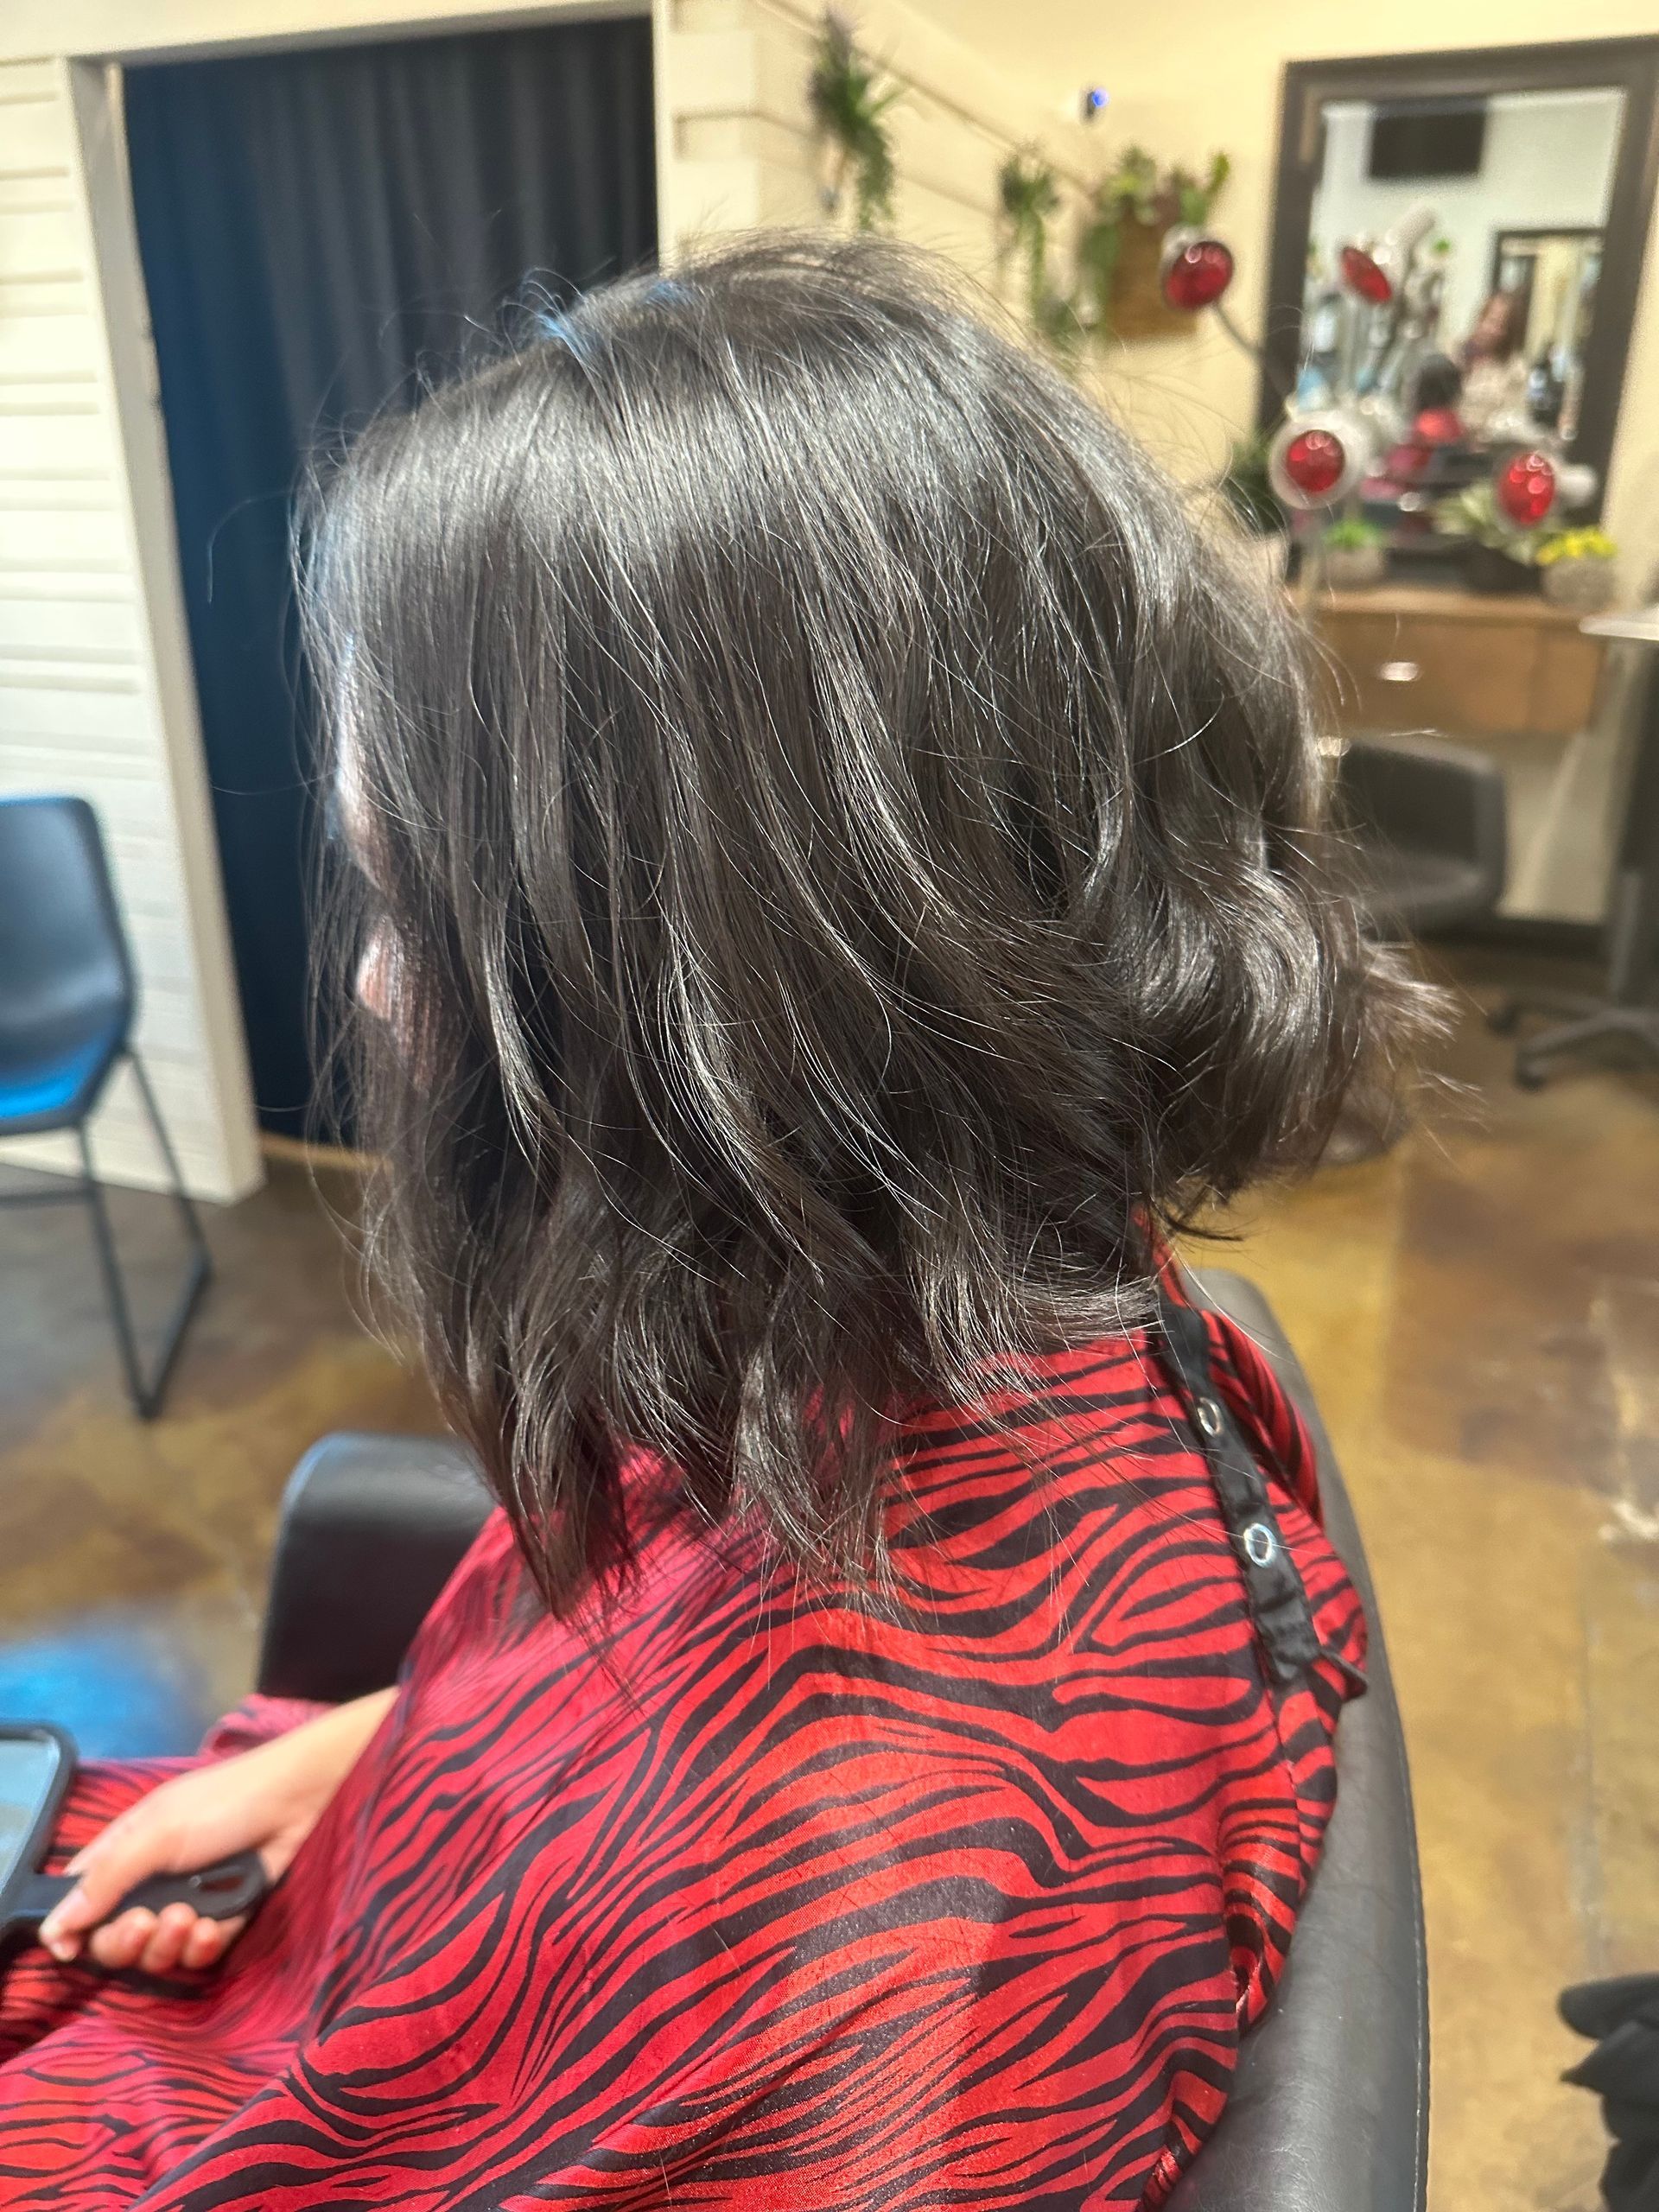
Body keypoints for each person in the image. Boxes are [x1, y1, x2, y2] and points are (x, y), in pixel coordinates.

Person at [0, 237, 1424, 2208]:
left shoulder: (827, 1917)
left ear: (736, 979)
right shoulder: (999, 1295)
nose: (388, 992)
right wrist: (348, 1760)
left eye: (418, 903)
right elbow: (635, 1656)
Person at [1459, 287, 1533, 442]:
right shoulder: (1455, 353)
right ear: (1480, 318)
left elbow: (1514, 418)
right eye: (1490, 321)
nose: (1492, 330)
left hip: (1485, 451)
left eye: (1502, 326)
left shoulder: (1515, 370)